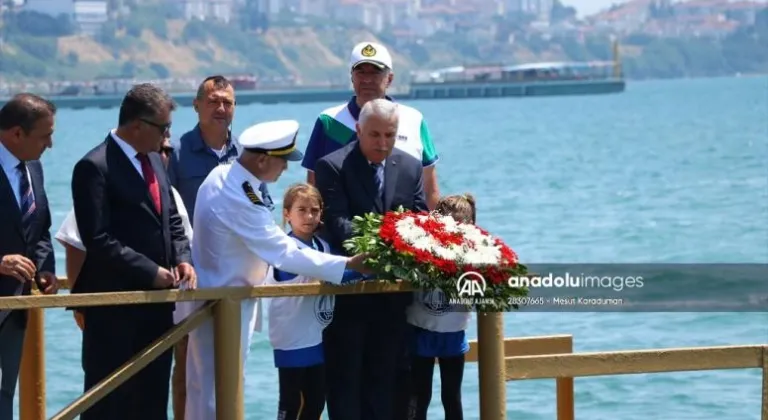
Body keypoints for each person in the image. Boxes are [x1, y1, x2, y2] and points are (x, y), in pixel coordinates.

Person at [185, 119, 371, 420]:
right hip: (223, 304)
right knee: (219, 390)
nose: (285, 168)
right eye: (282, 161)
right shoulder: (239, 196)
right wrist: (347, 266)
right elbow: (282, 251)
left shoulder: (225, 176)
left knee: (206, 387)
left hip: (219, 299)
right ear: (261, 159)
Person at [70, 83, 197, 420]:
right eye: (164, 127)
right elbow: (97, 238)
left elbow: (169, 216)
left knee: (152, 399)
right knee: (109, 401)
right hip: (114, 309)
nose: (168, 136)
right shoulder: (94, 167)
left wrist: (182, 258)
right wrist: (149, 271)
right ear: (138, 125)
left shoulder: (155, 159)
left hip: (156, 307)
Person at [314, 98, 429, 420]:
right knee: (346, 383)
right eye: (375, 135)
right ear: (358, 130)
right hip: (350, 298)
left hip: (394, 299)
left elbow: (420, 220)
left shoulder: (409, 166)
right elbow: (339, 224)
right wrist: (388, 249)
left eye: (389, 135)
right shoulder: (332, 166)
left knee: (387, 382)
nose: (382, 143)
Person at [55, 138, 193, 331]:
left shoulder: (170, 192)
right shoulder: (108, 184)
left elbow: (179, 232)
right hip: (114, 308)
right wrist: (79, 302)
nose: (160, 154)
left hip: (165, 304)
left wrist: (183, 260)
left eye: (167, 151)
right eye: (157, 148)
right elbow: (76, 244)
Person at [167, 74, 238, 420]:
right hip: (190, 274)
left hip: (233, 273)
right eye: (213, 101)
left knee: (231, 361)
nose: (220, 108)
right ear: (196, 106)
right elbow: (167, 215)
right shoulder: (177, 154)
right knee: (186, 363)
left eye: (227, 102)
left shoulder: (245, 155)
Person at [301, 41, 441, 210]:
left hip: (401, 231)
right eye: (360, 72)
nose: (367, 79)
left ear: (389, 78)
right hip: (341, 232)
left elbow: (429, 189)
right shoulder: (329, 122)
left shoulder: (414, 120)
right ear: (351, 77)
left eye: (375, 72)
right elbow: (313, 188)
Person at [267, 183, 366, 420]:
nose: (309, 216)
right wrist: (368, 268)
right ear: (286, 213)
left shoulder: (322, 246)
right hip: (291, 338)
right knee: (290, 405)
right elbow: (332, 271)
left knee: (316, 403)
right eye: (301, 210)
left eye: (314, 210)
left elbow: (335, 273)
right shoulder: (286, 249)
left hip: (315, 335)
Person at [0, 93, 60, 420]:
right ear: (16, 134)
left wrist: (46, 268)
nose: (50, 144)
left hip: (16, 306)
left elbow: (40, 228)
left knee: (4, 391)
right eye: (45, 135)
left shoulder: (33, 168)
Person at [405, 194, 476, 420]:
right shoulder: (420, 250)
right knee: (419, 396)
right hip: (420, 332)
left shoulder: (477, 256)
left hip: (453, 336)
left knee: (451, 397)